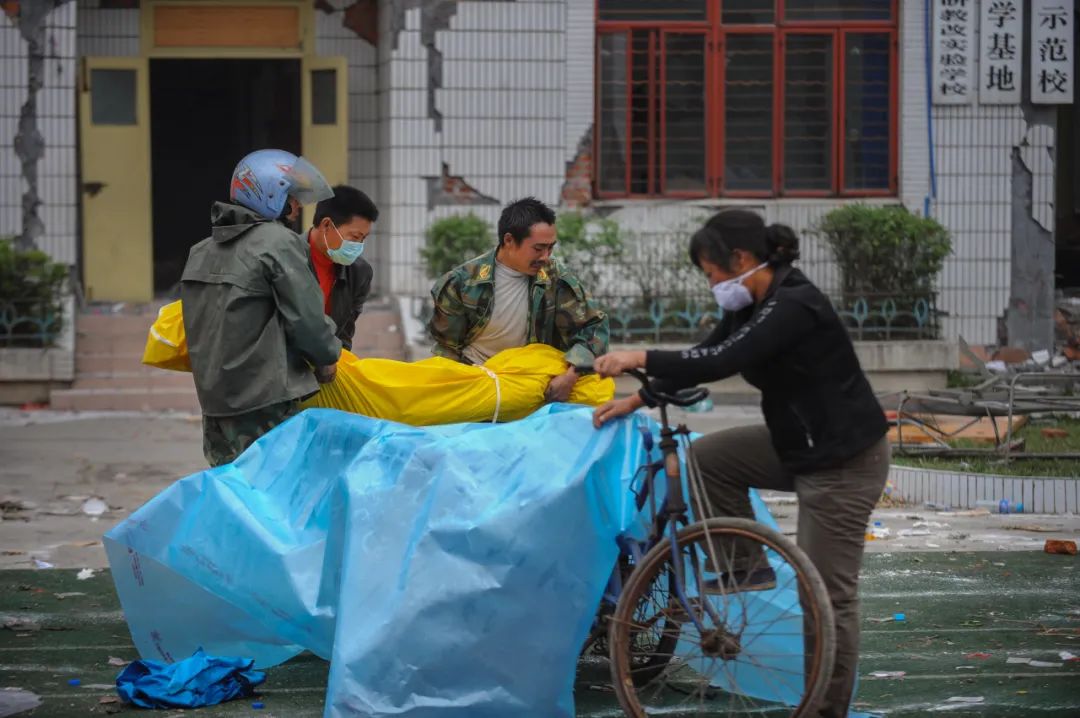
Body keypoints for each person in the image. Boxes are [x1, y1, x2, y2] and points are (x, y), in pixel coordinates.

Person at [590, 209, 889, 718]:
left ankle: (826, 711)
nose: (712, 286)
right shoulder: (753, 303)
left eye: (712, 274)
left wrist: (639, 355)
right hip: (798, 443)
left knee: (827, 598)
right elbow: (707, 350)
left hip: (843, 461)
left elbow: (722, 362)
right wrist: (637, 400)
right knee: (708, 459)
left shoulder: (793, 304)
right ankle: (742, 566)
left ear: (742, 258)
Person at [181, 149, 342, 467]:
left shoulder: (200, 252)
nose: (297, 206)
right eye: (292, 197)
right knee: (276, 487)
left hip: (215, 403)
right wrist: (327, 358)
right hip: (265, 401)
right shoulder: (278, 243)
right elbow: (307, 321)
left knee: (231, 487)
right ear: (270, 193)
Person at [427, 197, 610, 402]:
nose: (546, 257)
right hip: (475, 383)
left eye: (550, 248)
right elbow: (447, 348)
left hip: (535, 385)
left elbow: (593, 328)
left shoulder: (555, 278)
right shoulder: (463, 283)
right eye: (538, 249)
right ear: (509, 241)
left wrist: (570, 376)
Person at [305, 185, 378, 359]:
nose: (358, 246)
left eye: (363, 238)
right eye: (355, 237)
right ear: (326, 225)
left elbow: (344, 333)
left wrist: (335, 362)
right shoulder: (285, 259)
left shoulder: (360, 273)